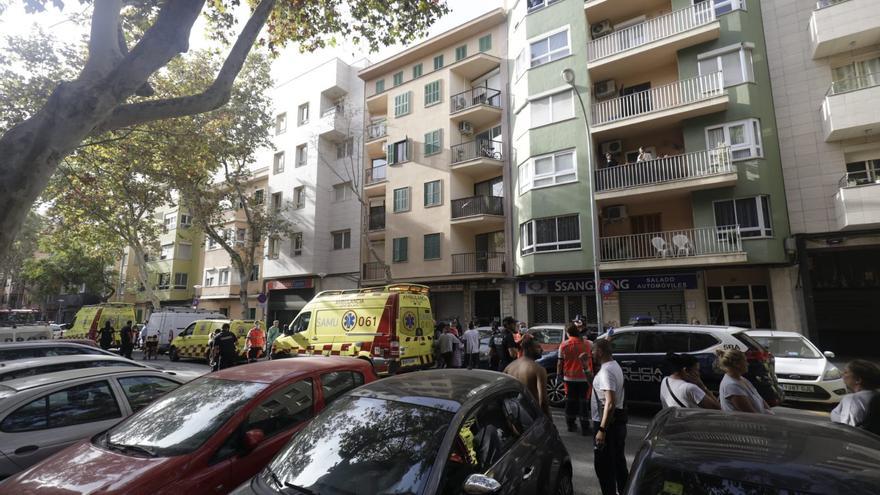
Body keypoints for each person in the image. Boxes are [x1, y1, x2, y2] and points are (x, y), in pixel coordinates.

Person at [591, 338, 628, 495]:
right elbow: (598, 390)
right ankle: (624, 490)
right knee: (618, 461)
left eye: (593, 350)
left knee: (604, 466)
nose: (591, 353)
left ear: (599, 352)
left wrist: (602, 429)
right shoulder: (613, 366)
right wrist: (586, 369)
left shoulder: (606, 371)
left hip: (608, 424)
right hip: (616, 422)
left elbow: (610, 402)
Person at [558, 323, 593, 435]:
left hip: (569, 378)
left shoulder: (564, 345)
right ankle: (585, 427)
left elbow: (560, 362)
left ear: (568, 333)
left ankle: (570, 425)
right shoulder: (588, 344)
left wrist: (559, 375)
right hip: (585, 378)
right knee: (583, 403)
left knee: (570, 402)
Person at [504, 335, 550, 417]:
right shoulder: (538, 370)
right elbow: (543, 401)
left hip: (514, 415)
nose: (542, 350)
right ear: (530, 349)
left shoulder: (509, 367)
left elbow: (504, 394)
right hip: (532, 415)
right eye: (538, 347)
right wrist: (548, 419)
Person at [716, 348, 772, 414]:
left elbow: (761, 400)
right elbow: (750, 414)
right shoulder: (731, 386)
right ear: (737, 364)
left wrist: (770, 413)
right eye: (745, 361)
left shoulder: (742, 379)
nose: (747, 364)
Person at [831, 360, 880, 432]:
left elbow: (847, 429)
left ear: (858, 380)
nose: (842, 374)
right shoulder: (876, 396)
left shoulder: (852, 399)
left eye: (846, 372)